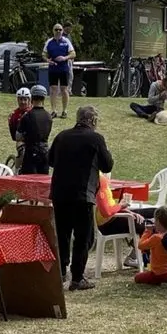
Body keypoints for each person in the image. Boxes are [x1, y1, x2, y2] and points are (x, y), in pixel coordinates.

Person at [48, 105, 113, 291]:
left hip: (60, 193)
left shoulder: (61, 136)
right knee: (84, 236)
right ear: (92, 120)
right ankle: (77, 277)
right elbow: (107, 165)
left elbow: (50, 160)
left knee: (62, 234)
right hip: (83, 194)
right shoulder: (96, 138)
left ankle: (60, 273)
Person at [95, 172, 147, 269]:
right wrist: (121, 205)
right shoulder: (100, 180)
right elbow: (106, 211)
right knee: (144, 223)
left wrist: (127, 211)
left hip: (112, 218)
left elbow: (109, 206)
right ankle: (137, 257)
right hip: (108, 224)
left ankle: (139, 254)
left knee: (152, 213)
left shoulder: (99, 178)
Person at [17, 85, 53, 174]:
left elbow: (18, 136)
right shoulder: (49, 116)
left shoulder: (27, 116)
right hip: (45, 152)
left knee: (28, 182)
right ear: (44, 98)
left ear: (31, 98)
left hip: (31, 153)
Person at [135, 206, 167, 286]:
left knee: (137, 277)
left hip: (158, 273)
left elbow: (140, 245)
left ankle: (158, 280)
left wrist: (147, 231)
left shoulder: (156, 237)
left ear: (158, 221)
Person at [45, 23, 76, 119]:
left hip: (64, 69)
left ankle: (64, 111)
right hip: (53, 69)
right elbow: (43, 54)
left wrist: (64, 58)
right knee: (53, 89)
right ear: (53, 31)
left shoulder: (66, 41)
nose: (58, 31)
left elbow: (73, 54)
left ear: (62, 31)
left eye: (60, 30)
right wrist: (47, 60)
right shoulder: (49, 42)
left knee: (64, 89)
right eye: (56, 30)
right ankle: (53, 111)